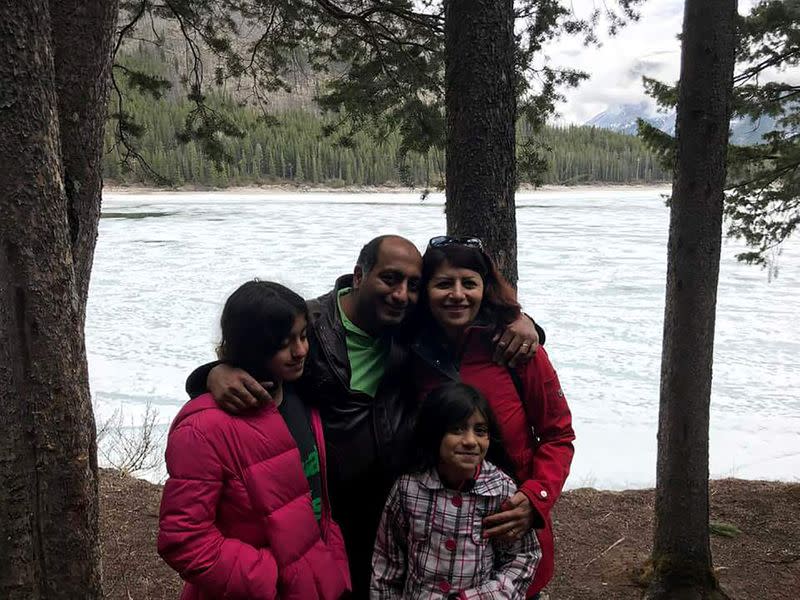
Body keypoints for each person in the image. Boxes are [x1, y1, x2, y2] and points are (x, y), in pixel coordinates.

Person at [185, 235, 543, 599]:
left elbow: (466, 306)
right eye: (389, 278)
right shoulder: (311, 326)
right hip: (326, 509)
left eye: (412, 285)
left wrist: (523, 320)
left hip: (398, 502)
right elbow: (259, 347)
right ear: (359, 276)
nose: (401, 294)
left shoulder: (410, 323)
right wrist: (215, 372)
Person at [158, 280, 350, 600]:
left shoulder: (301, 394)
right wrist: (271, 578)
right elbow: (184, 539)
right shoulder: (203, 430)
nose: (301, 350)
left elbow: (318, 504)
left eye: (303, 336)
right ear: (251, 346)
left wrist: (335, 566)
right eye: (283, 342)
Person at [411, 236, 575, 598]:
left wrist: (535, 499)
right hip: (435, 543)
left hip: (510, 534)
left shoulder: (517, 349)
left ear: (485, 288)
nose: (457, 294)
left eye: (469, 283)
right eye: (443, 284)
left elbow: (558, 435)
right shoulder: (408, 350)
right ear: (425, 291)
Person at [371, 382, 541, 600]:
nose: (470, 441)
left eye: (480, 431)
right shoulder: (408, 488)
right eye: (457, 429)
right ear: (434, 433)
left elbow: (523, 556)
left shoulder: (501, 489)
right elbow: (386, 561)